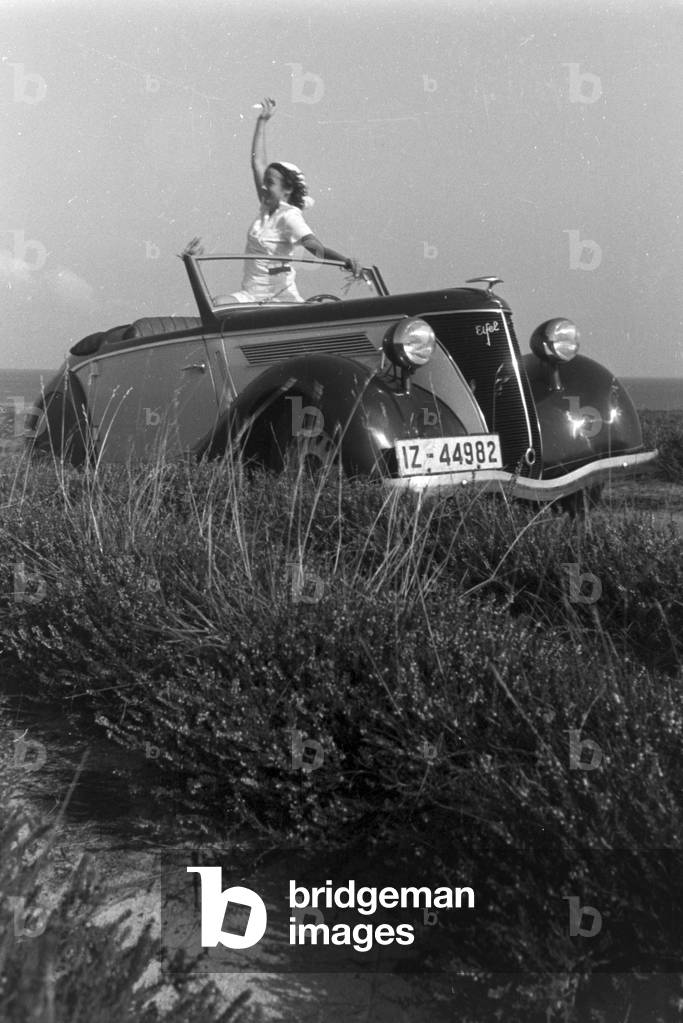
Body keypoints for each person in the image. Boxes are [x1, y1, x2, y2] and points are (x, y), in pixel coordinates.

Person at [185, 98, 362, 303]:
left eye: (270, 183)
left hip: (282, 298)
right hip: (250, 295)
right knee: (216, 304)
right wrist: (262, 121)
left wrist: (345, 261)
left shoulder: (289, 216)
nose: (263, 186)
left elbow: (314, 247)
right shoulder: (265, 207)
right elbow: (258, 163)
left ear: (287, 189)